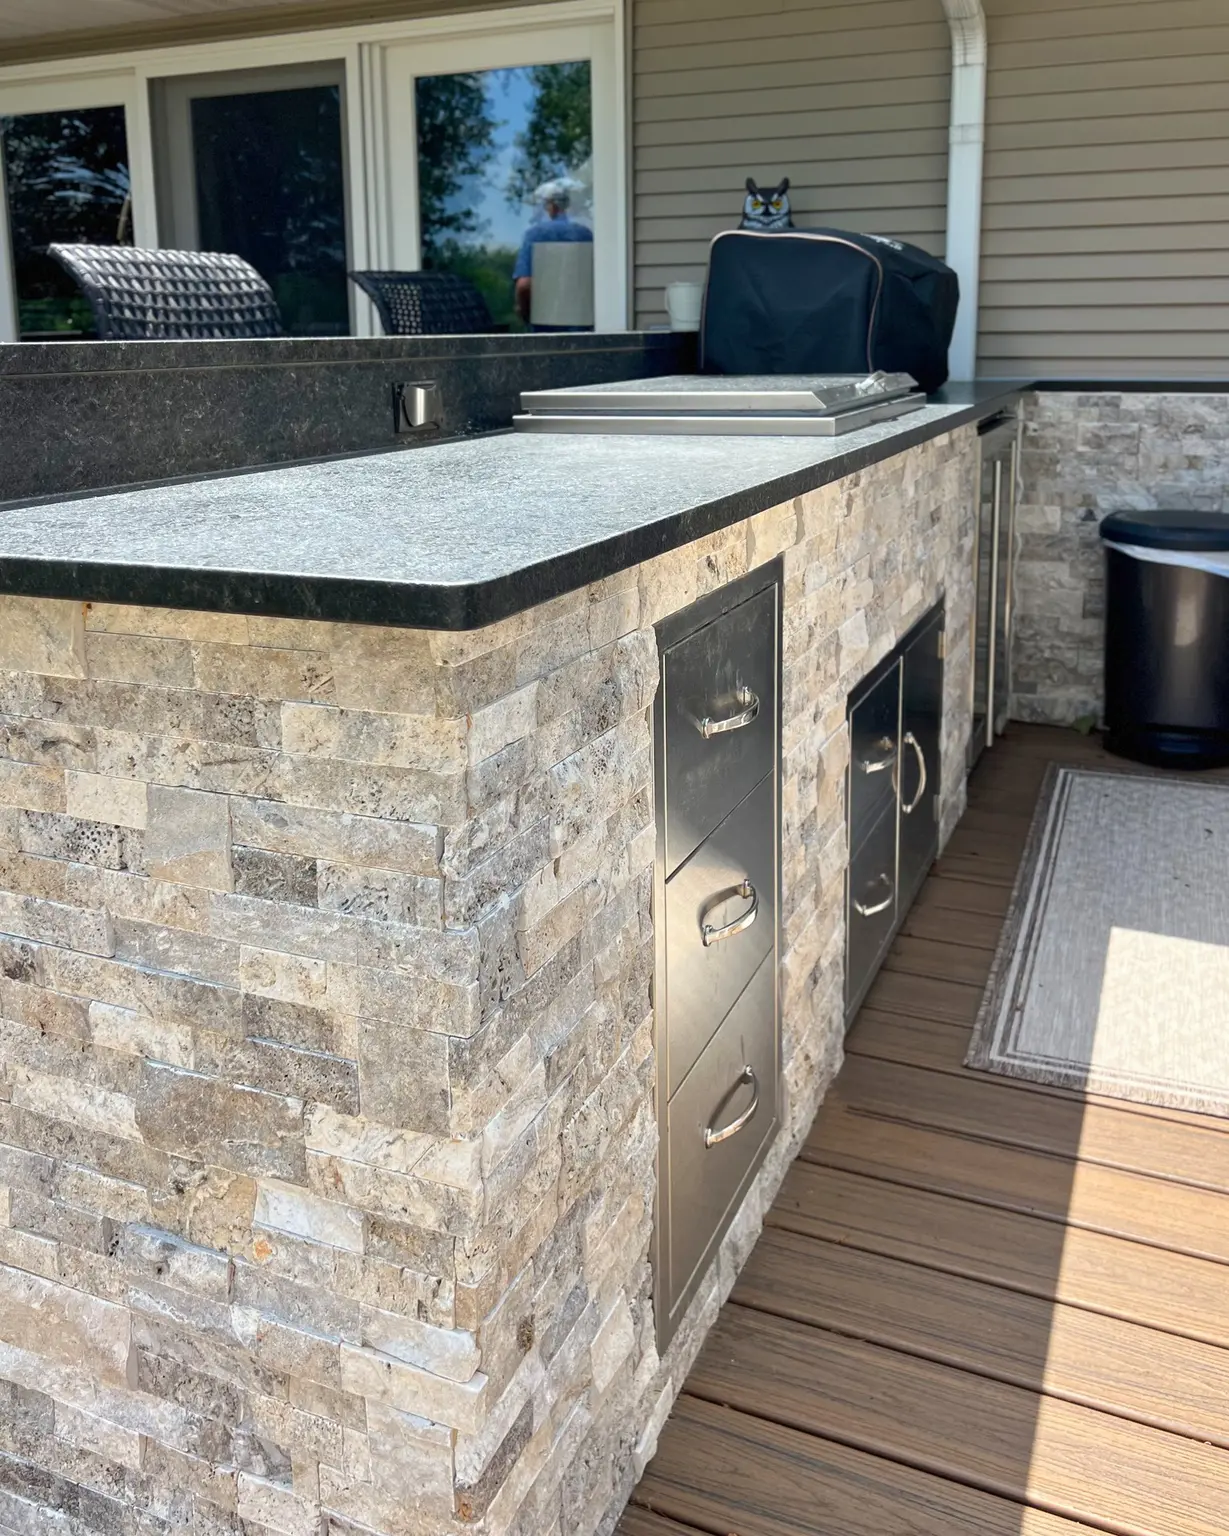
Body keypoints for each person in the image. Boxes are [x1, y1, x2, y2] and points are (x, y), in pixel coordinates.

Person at [512, 180, 594, 326]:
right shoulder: (585, 234)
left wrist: (525, 315)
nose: (535, 211)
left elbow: (524, 285)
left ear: (551, 207)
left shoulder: (535, 235)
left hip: (545, 326)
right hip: (582, 324)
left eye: (538, 206)